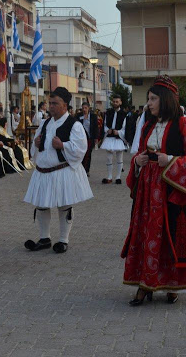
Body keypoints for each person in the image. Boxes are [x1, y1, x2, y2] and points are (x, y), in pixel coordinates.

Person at [122, 74, 186, 305]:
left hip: (172, 188)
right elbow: (139, 153)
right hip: (147, 189)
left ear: (165, 99)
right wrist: (138, 161)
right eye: (149, 99)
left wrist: (172, 159)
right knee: (146, 233)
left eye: (153, 98)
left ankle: (172, 284)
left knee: (170, 234)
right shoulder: (147, 126)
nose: (149, 103)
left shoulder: (185, 124)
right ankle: (145, 284)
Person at [23, 87, 93, 254]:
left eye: (55, 103)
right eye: (50, 103)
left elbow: (81, 148)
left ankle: (63, 240)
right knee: (41, 205)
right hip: (43, 171)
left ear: (65, 105)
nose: (51, 106)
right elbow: (37, 146)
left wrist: (63, 145)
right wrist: (37, 144)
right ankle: (44, 238)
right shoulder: (46, 123)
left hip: (62, 171)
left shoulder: (74, 125)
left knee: (63, 205)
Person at [100, 94, 128, 184]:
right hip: (109, 137)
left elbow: (125, 127)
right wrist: (107, 130)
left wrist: (119, 132)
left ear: (120, 102)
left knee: (119, 158)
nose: (115, 103)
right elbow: (104, 124)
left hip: (119, 138)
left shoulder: (124, 114)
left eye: (117, 101)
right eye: (114, 101)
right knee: (108, 158)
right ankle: (109, 176)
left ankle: (118, 177)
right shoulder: (108, 113)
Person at [78, 102, 99, 175]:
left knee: (88, 154)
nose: (84, 109)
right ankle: (80, 169)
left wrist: (96, 138)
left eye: (85, 108)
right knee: (81, 154)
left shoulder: (93, 116)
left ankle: (87, 170)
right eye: (83, 108)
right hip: (81, 139)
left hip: (90, 138)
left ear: (88, 108)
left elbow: (96, 127)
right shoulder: (78, 116)